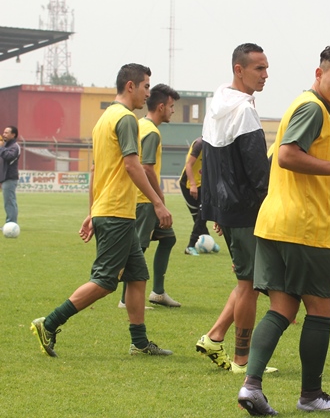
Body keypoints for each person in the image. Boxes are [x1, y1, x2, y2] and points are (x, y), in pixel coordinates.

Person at [237, 44, 330, 416]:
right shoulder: (312, 109)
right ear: (319, 74)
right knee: (321, 310)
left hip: (276, 224)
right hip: (305, 228)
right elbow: (287, 156)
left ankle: (251, 387)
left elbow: (324, 176)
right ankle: (311, 395)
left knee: (283, 308)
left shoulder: (312, 110)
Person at [30, 63, 173, 357]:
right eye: (146, 86)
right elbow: (133, 165)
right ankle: (50, 322)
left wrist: (92, 211)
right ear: (130, 86)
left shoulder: (104, 118)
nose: (148, 93)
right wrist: (158, 202)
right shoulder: (126, 119)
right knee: (106, 280)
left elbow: (96, 171)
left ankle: (140, 342)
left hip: (111, 209)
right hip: (118, 212)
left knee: (137, 275)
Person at [196, 43, 275, 374]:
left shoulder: (217, 104)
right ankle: (242, 361)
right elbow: (259, 172)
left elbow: (209, 163)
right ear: (238, 70)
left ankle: (214, 337)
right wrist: (273, 205)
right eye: (259, 68)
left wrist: (215, 210)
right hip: (247, 210)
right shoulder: (242, 110)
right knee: (250, 284)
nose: (266, 75)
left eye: (267, 68)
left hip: (229, 209)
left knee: (249, 281)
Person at [119, 83, 182, 308]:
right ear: (162, 106)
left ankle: (157, 292)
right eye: (172, 106)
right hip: (144, 200)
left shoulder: (140, 125)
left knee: (169, 239)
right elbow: (146, 167)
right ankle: (126, 299)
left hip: (142, 198)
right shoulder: (152, 132)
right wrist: (159, 198)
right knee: (138, 248)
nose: (173, 111)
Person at [179, 136, 210, 256]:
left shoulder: (216, 144)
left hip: (203, 184)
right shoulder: (200, 144)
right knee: (198, 216)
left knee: (202, 214)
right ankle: (191, 246)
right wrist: (192, 184)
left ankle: (206, 241)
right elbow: (189, 165)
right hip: (188, 184)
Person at [0, 125, 20, 223]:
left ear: (13, 134)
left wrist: (1, 148)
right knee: (9, 201)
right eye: (4, 132)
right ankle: (11, 222)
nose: (4, 134)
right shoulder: (6, 146)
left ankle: (11, 223)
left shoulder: (14, 147)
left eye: (7, 133)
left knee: (9, 202)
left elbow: (9, 157)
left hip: (10, 177)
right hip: (4, 177)